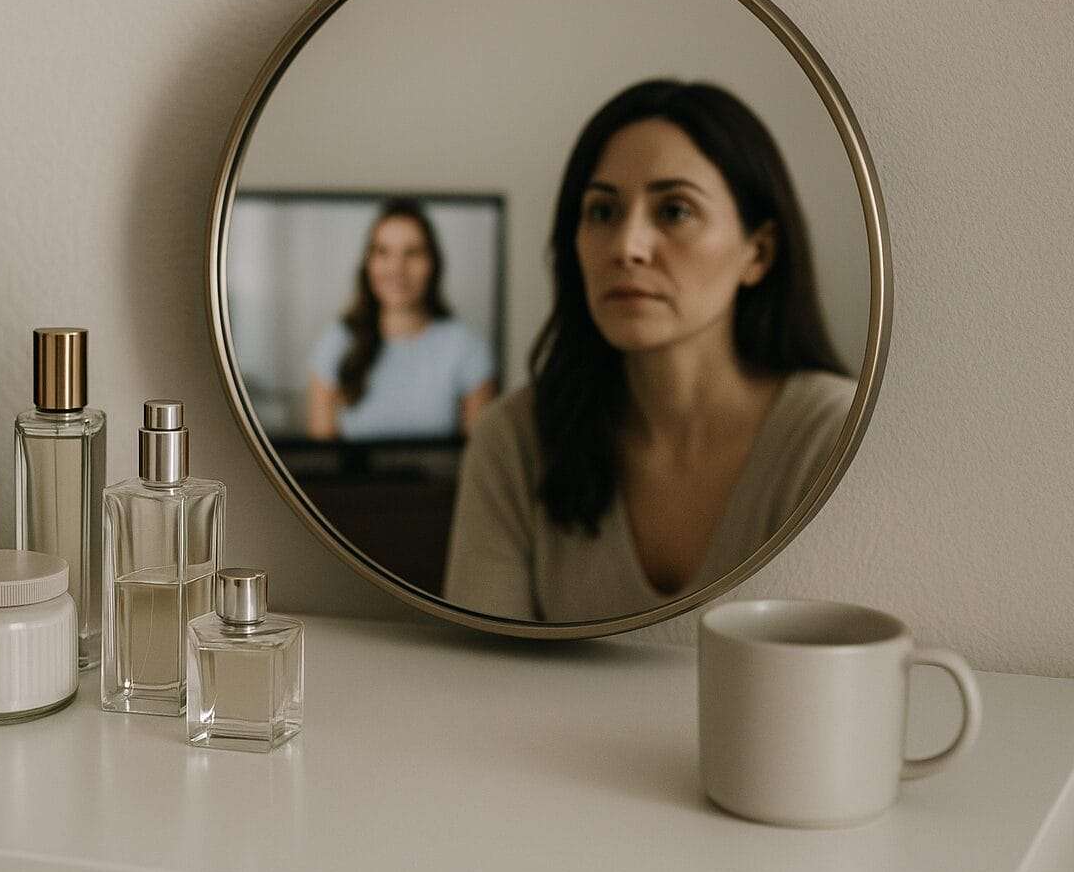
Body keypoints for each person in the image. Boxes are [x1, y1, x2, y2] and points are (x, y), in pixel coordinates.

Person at [443, 80, 855, 621]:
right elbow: (480, 663)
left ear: (757, 252)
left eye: (675, 211)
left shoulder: (833, 436)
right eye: (602, 212)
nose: (627, 247)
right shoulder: (514, 442)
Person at [306, 198, 497, 440]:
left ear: (433, 264)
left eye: (412, 253)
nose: (396, 268)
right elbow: (322, 456)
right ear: (368, 264)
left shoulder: (467, 348)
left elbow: (477, 454)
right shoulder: (335, 343)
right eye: (383, 252)